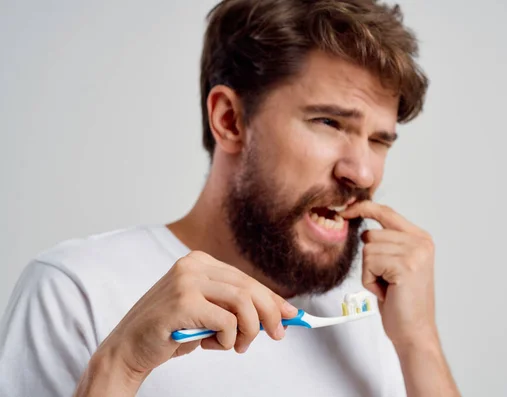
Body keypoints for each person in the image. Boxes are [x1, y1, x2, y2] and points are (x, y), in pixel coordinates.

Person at [0, 0, 460, 396]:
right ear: (230, 120)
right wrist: (119, 365)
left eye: (379, 140)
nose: (362, 172)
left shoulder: (374, 312)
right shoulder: (76, 291)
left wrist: (418, 340)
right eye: (330, 123)